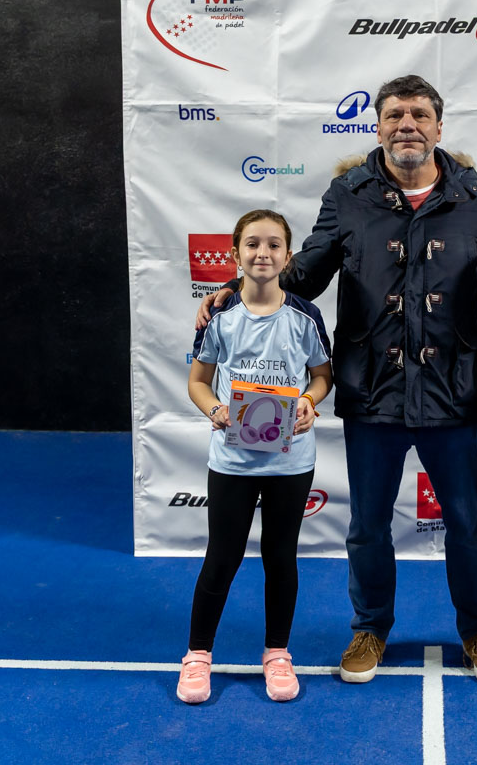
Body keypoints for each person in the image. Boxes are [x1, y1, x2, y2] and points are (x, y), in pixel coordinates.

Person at [196, 76, 477, 686]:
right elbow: (304, 273)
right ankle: (370, 629)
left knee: (466, 524)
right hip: (372, 390)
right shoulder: (348, 193)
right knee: (367, 526)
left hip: (453, 390)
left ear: (439, 127)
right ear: (378, 125)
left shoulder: (475, 194)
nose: (406, 124)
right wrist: (235, 288)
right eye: (394, 115)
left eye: (419, 114)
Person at [177, 209, 333, 704]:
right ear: (235, 254)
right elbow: (198, 381)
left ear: (288, 256)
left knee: (280, 557)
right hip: (233, 461)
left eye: (273, 245)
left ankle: (277, 653)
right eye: (252, 244)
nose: (262, 253)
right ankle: (197, 656)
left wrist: (308, 402)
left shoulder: (306, 317)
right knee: (222, 557)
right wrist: (216, 410)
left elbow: (322, 376)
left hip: (291, 461)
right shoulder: (220, 317)